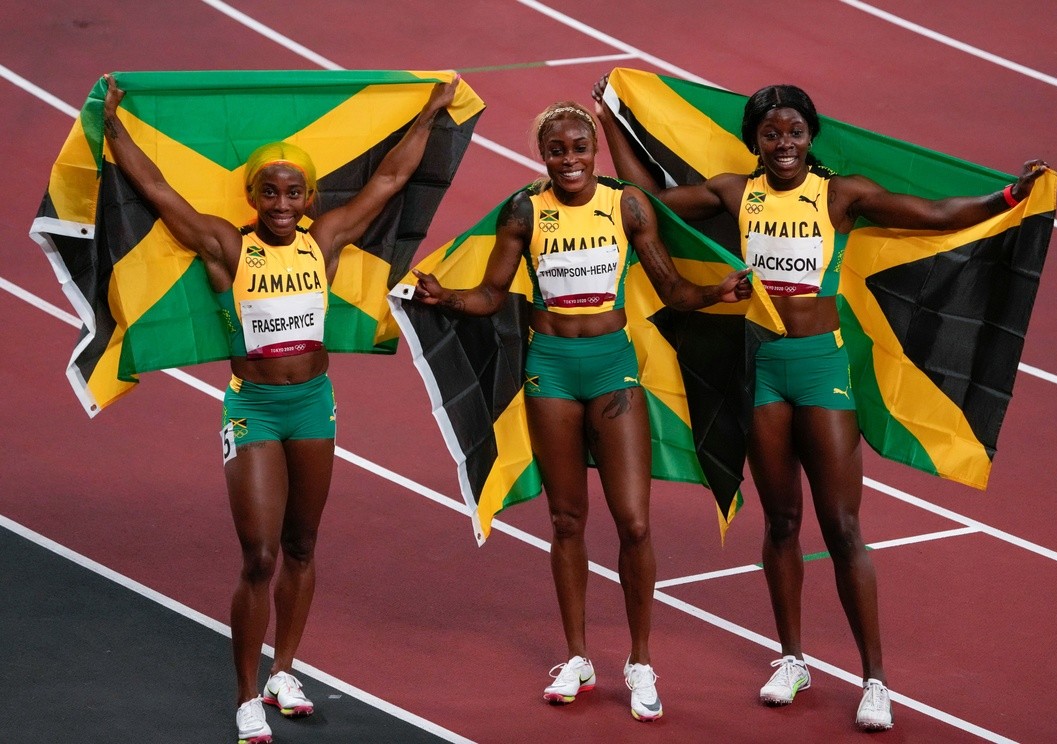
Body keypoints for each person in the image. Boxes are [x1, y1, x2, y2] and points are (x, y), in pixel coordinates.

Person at [592, 75, 1047, 731]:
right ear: (754, 140)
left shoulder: (840, 195)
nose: (784, 143)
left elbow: (936, 214)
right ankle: (791, 659)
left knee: (841, 526)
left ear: (811, 137)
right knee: (780, 522)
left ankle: (874, 680)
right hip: (763, 369)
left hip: (820, 369)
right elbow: (649, 204)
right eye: (771, 133)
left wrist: (1007, 196)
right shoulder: (735, 192)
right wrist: (609, 119)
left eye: (795, 132)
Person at [101, 72, 459, 744]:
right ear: (253, 195)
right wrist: (112, 126)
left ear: (310, 197)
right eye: (270, 191)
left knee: (301, 545)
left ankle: (283, 671)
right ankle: (246, 697)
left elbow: (389, 181)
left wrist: (431, 113)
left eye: (294, 192)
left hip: (314, 405)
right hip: (255, 410)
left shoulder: (324, 242)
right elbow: (157, 191)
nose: (283, 203)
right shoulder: (227, 246)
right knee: (260, 555)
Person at [411, 100, 752, 723]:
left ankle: (641, 661)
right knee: (566, 520)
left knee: (635, 523)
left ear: (595, 150)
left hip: (611, 367)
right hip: (551, 371)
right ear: (543, 155)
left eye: (579, 147)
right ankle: (578, 657)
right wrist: (448, 297)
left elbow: (671, 288)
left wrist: (716, 292)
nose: (569, 159)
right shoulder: (524, 211)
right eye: (556, 150)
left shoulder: (627, 205)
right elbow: (492, 294)